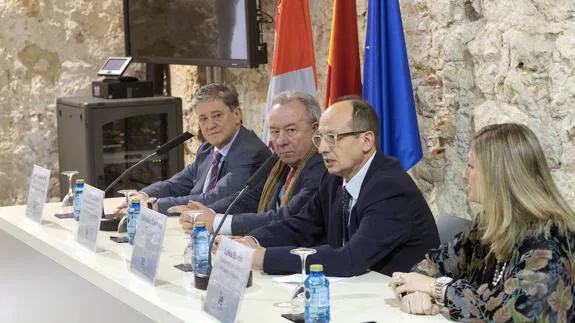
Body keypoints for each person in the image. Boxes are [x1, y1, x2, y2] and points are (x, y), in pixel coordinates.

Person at [219, 98, 439, 277]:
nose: (323, 149)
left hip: (400, 303)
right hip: (357, 291)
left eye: (332, 138)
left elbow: (351, 259)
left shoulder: (390, 188)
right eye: (320, 139)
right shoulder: (334, 177)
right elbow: (300, 226)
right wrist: (252, 241)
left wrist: (264, 258)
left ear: (366, 140)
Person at [390, 123, 575, 321]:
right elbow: (432, 265)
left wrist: (436, 289)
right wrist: (416, 293)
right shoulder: (490, 223)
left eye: (470, 166)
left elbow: (515, 315)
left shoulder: (550, 237)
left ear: (498, 175)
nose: (464, 175)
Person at [170, 91, 326, 235]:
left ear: (315, 130)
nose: (281, 141)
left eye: (291, 130)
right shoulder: (279, 162)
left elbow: (287, 218)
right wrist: (205, 212)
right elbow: (247, 199)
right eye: (275, 132)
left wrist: (216, 222)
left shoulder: (321, 166)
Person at [116, 83, 271, 215]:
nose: (210, 125)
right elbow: (175, 185)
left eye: (217, 116)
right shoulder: (207, 149)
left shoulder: (250, 152)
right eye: (203, 119)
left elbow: (214, 199)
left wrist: (153, 205)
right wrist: (142, 195)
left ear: (237, 115)